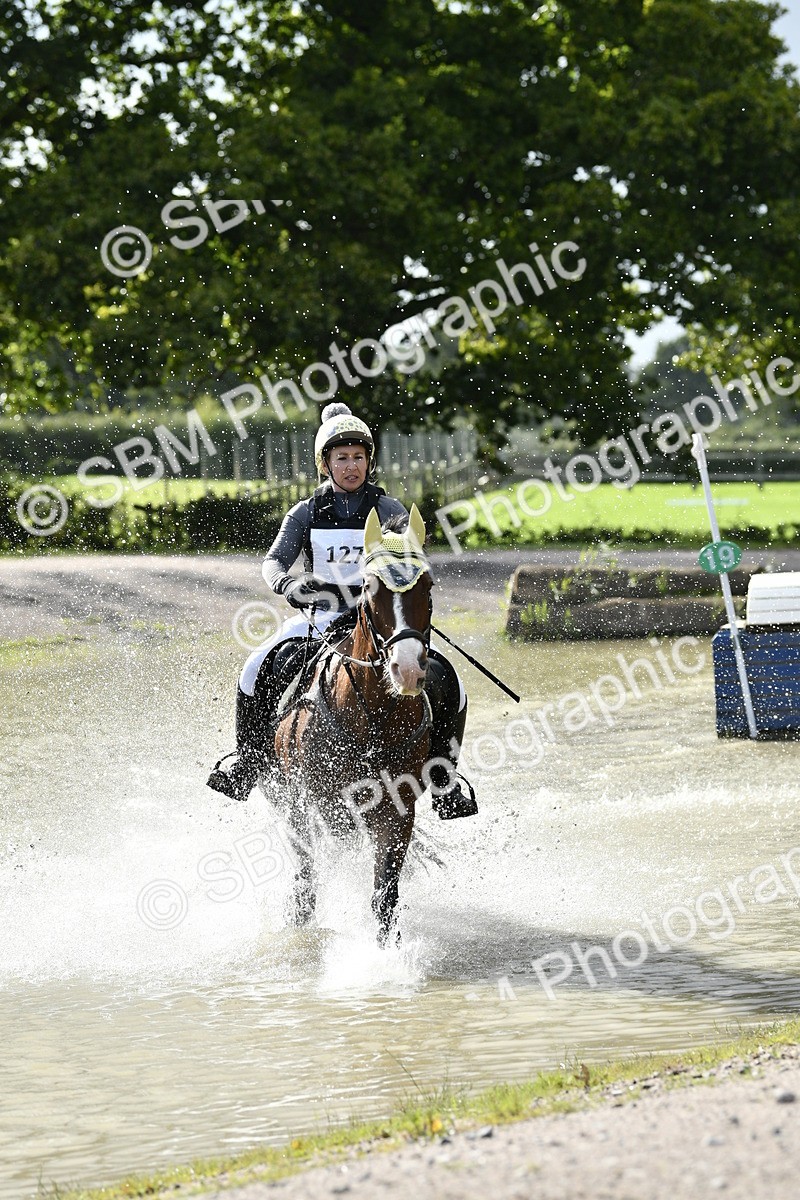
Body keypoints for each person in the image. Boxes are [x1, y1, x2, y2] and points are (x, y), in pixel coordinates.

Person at [207, 402, 477, 819]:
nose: (352, 466)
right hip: (323, 617)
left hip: (383, 620)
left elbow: (408, 564)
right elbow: (273, 561)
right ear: (326, 464)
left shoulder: (389, 512)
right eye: (342, 458)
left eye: (359, 457)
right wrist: (287, 583)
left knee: (450, 683)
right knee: (255, 666)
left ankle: (443, 782)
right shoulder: (306, 512)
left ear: (369, 461)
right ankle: (249, 761)